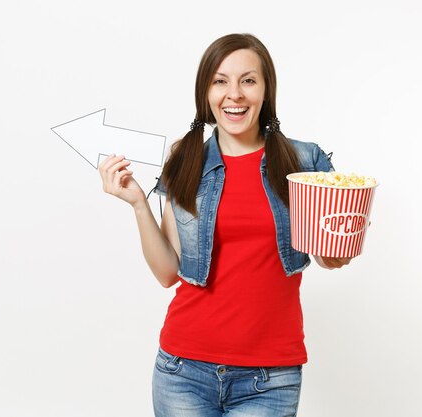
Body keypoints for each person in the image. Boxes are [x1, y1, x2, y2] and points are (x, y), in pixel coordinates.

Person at [99, 33, 353, 417]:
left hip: (270, 379)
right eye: (220, 81)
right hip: (182, 371)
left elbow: (326, 249)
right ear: (206, 93)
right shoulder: (186, 160)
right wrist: (138, 203)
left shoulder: (304, 160)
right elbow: (169, 272)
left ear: (266, 90)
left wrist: (335, 253)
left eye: (248, 80)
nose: (234, 94)